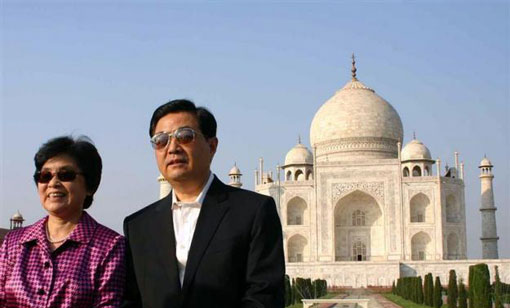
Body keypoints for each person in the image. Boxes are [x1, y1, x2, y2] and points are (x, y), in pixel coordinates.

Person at [122, 99, 285, 308]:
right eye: (161, 140)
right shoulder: (139, 226)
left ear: (212, 146)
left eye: (185, 136)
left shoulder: (252, 212)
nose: (172, 148)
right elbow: (131, 301)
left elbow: (264, 297)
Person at [0, 136, 125, 307]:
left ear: (90, 186)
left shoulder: (110, 246)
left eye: (65, 175)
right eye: (45, 176)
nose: (53, 183)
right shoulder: (14, 243)